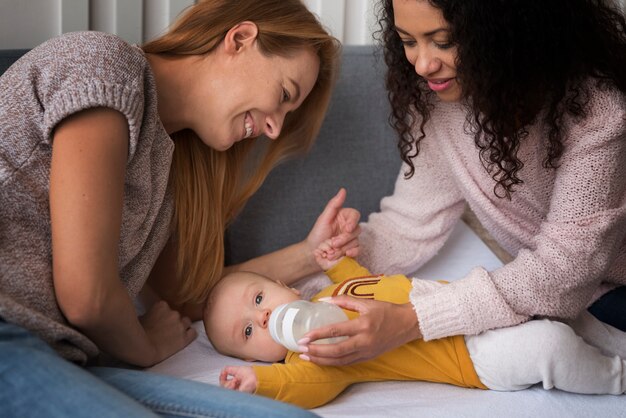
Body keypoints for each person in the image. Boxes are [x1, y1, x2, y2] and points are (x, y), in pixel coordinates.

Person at [0, 0, 354, 416]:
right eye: (283, 95)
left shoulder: (166, 165)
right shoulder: (104, 67)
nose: (274, 127)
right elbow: (87, 297)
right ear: (240, 40)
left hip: (60, 358)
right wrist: (145, 345)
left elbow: (189, 298)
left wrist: (311, 254)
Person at [293, 0, 626, 367]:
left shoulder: (598, 110)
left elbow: (567, 270)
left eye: (443, 41)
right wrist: (308, 296)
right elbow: (407, 226)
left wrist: (413, 319)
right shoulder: (435, 100)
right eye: (408, 40)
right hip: (565, 301)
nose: (422, 64)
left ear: (506, 33)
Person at [204, 243, 626, 409]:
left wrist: (335, 261)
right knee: (549, 346)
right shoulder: (318, 353)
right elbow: (303, 386)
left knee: (566, 307)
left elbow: (364, 279)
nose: (261, 318)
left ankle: (615, 344)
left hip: (472, 306)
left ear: (282, 286)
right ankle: (613, 377)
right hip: (471, 357)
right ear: (255, 355)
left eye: (258, 299)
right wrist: (259, 382)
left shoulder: (331, 292)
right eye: (247, 334)